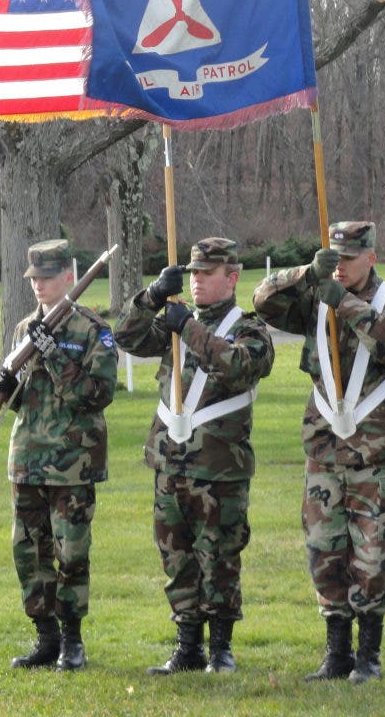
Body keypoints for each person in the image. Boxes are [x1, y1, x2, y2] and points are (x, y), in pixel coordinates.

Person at [252, 221, 385, 684]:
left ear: (371, 258)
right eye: (335, 259)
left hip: (378, 454)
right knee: (324, 553)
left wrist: (341, 301)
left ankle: (368, 657)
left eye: (349, 260)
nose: (341, 268)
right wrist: (305, 274)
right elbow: (262, 302)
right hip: (324, 448)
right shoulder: (314, 296)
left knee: (370, 559)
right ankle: (337, 655)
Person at [114, 238, 274, 675]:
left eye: (207, 273)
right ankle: (187, 647)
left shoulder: (249, 328)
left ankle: (221, 648)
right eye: (193, 273)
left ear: (232, 277)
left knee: (218, 558)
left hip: (218, 469)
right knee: (176, 558)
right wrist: (150, 298)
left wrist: (188, 327)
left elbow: (240, 367)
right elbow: (125, 337)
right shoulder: (175, 321)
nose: (198, 280)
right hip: (170, 463)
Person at [0, 238, 118, 673]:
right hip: (27, 457)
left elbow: (97, 395)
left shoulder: (91, 329)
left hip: (72, 460)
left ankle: (73, 641)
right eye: (34, 280)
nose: (39, 286)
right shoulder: (25, 326)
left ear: (69, 277)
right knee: (28, 551)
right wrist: (4, 381)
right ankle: (45, 638)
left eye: (47, 278)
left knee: (71, 552)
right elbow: (17, 397)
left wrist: (55, 354)